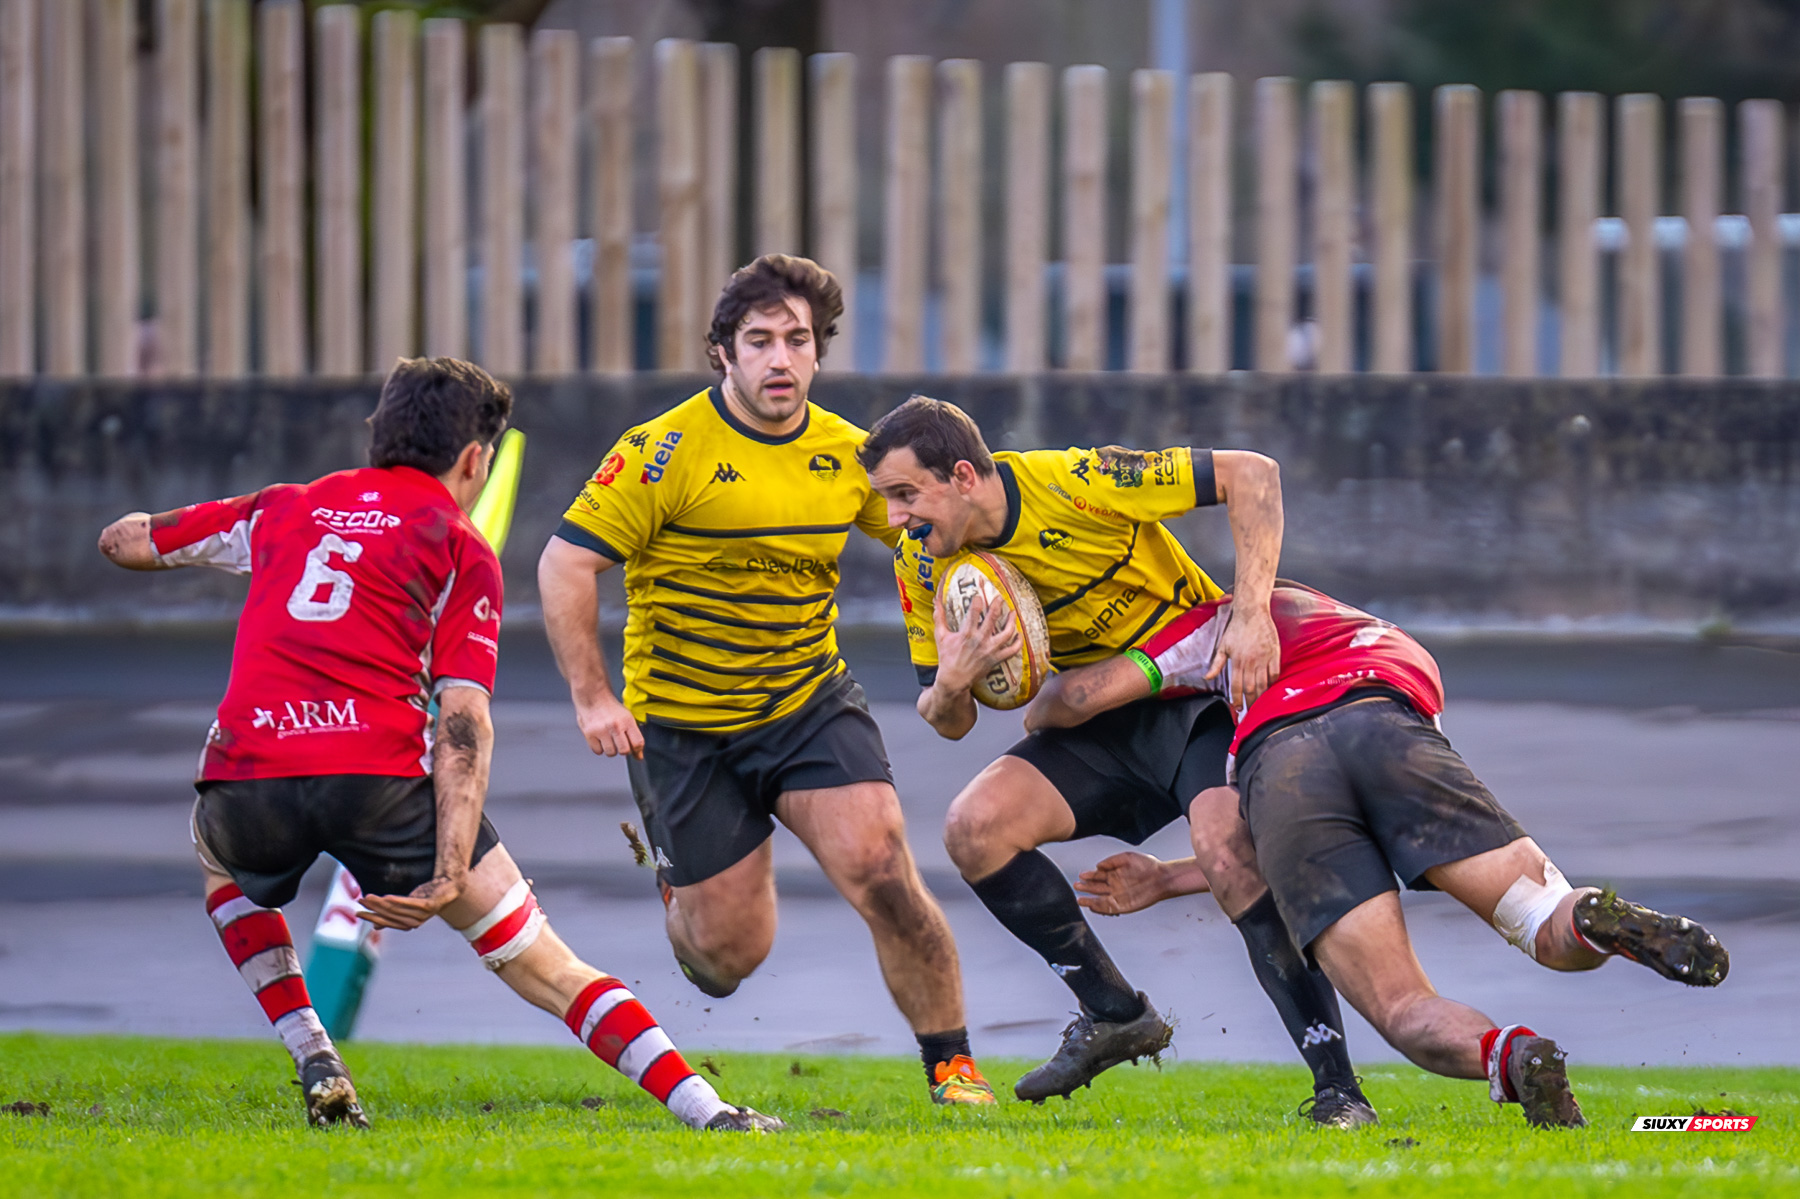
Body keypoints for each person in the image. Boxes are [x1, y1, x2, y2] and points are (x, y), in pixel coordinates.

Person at [97, 357, 780, 1133]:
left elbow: (126, 541)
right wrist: (449, 866)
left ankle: (313, 1052)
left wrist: (212, 537)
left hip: (254, 773)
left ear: (373, 436)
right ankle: (709, 1110)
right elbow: (462, 722)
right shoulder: (459, 543)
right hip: (381, 785)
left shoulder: (282, 508)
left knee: (216, 851)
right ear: (474, 460)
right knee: (545, 965)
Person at [537, 256, 995, 1105]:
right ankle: (685, 885)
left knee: (882, 863)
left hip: (805, 702)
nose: (780, 359)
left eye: (797, 340)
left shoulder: (847, 454)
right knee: (727, 958)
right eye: (759, 342)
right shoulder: (663, 452)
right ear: (723, 353)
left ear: (818, 353)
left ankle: (954, 1066)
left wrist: (967, 632)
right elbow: (565, 565)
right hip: (683, 725)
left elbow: (925, 532)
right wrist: (594, 697)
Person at [1034, 580, 1730, 1128]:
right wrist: (1167, 878)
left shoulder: (1227, 620)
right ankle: (1592, 918)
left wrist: (1029, 697)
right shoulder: (1378, 633)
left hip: (1285, 769)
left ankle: (1513, 1055)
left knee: (1402, 1006)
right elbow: (1367, 804)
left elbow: (1080, 695)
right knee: (1541, 920)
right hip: (1392, 731)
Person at [860, 396, 1373, 1126]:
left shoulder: (1078, 479)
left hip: (1191, 694)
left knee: (1229, 854)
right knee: (975, 826)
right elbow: (950, 720)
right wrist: (950, 680)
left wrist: (1253, 614)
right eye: (887, 499)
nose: (897, 517)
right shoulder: (922, 561)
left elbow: (1253, 475)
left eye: (906, 495)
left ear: (964, 476)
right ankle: (1115, 1012)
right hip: (1096, 719)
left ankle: (1338, 1088)